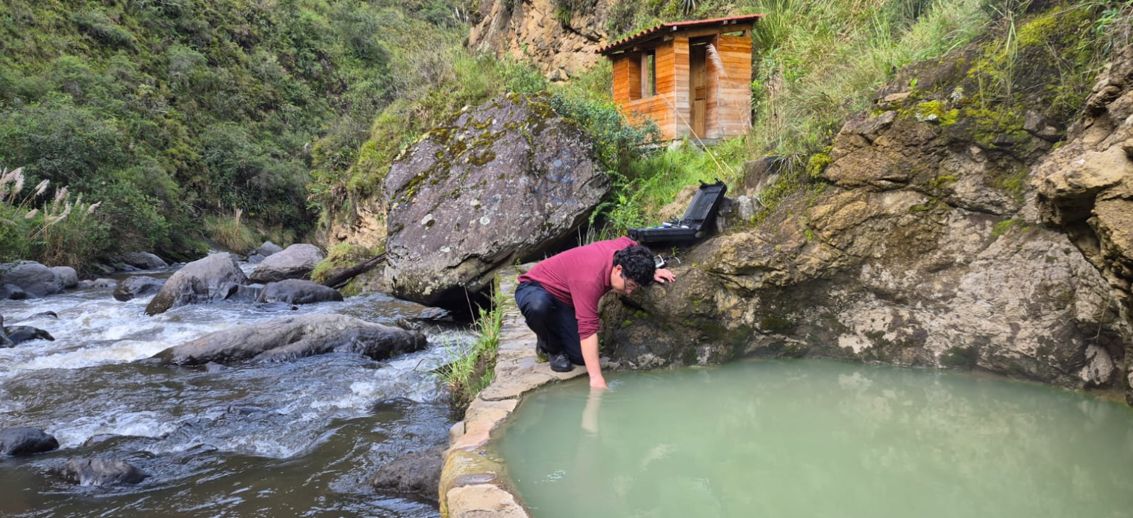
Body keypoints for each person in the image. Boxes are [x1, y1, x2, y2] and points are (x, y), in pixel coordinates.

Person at [515, 237, 676, 389]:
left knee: (579, 357)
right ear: (618, 269)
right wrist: (596, 378)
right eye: (630, 285)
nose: (629, 292)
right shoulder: (590, 279)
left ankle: (551, 328)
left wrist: (652, 269)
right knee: (538, 307)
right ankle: (550, 346)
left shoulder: (623, 253)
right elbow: (588, 329)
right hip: (535, 288)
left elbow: (631, 243)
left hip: (565, 299)